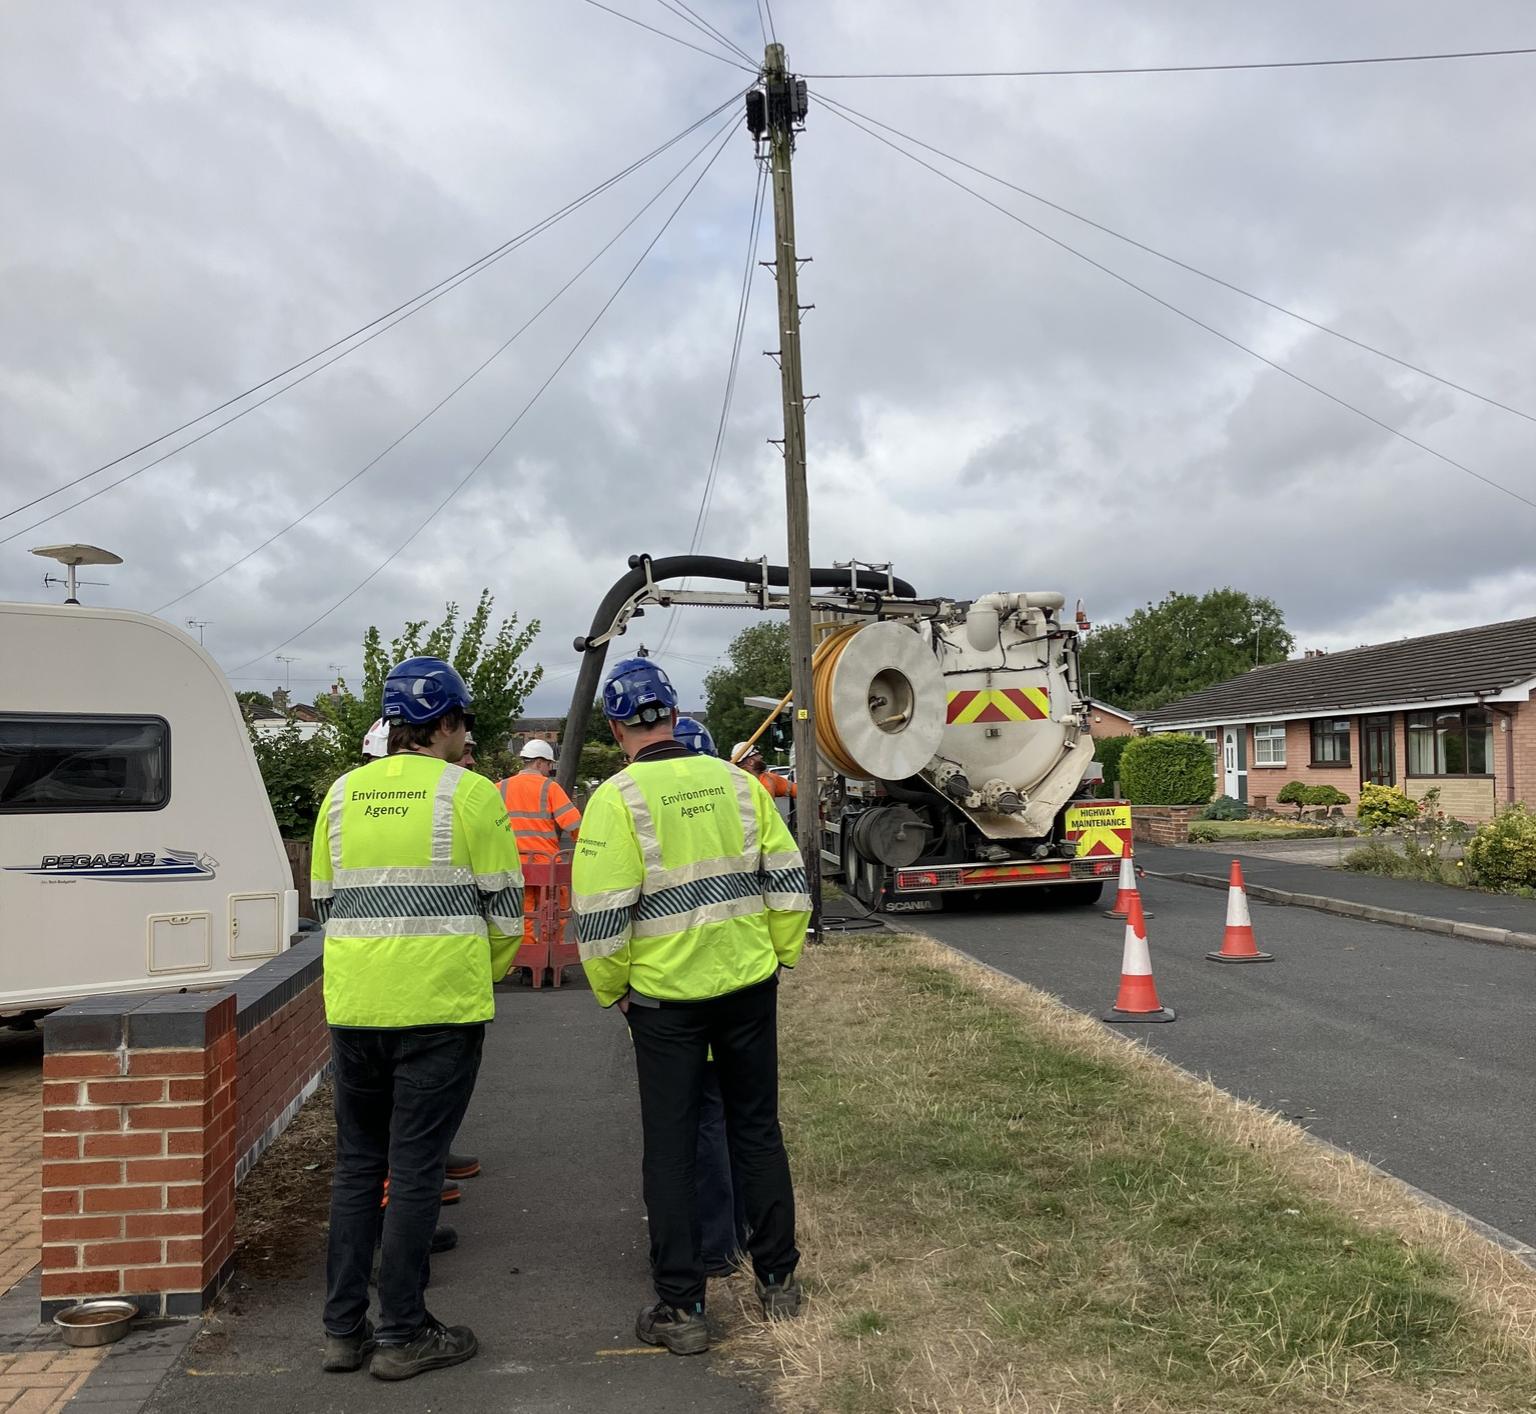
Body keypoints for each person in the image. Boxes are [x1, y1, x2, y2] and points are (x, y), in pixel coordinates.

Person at [573, 657, 809, 1356]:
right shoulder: (740, 785)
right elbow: (789, 881)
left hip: (663, 1001)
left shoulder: (616, 801)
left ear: (617, 727)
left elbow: (600, 915)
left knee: (671, 1148)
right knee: (756, 1130)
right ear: (673, 714)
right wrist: (778, 956)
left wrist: (612, 988)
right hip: (747, 985)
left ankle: (682, 1310)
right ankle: (779, 1283)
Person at [312, 657, 522, 1381]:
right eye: (463, 725)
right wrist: (473, 973)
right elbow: (505, 914)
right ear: (446, 723)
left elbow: (324, 903)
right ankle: (403, 1332)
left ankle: (344, 1332)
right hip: (439, 1010)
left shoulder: (339, 796)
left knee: (358, 1168)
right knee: (416, 1170)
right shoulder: (471, 795)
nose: (466, 739)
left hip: (356, 1008)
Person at [360, 717, 481, 1200]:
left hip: (370, 991)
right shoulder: (370, 799)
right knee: (396, 1123)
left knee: (397, 1119)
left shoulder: (353, 799)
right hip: (412, 990)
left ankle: (420, 1172)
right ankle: (405, 1206)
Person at [671, 716, 750, 1279]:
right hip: (742, 989)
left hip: (676, 998)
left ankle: (715, 1243)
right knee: (743, 1120)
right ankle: (743, 1231)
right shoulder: (738, 800)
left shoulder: (646, 807)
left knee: (699, 1123)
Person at [498, 739, 582, 978]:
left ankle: (527, 960)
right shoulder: (549, 788)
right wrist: (587, 849)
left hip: (516, 864)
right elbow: (573, 823)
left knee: (522, 914)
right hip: (547, 866)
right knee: (553, 912)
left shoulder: (500, 787)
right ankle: (550, 960)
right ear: (539, 762)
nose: (550, 770)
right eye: (548, 765)